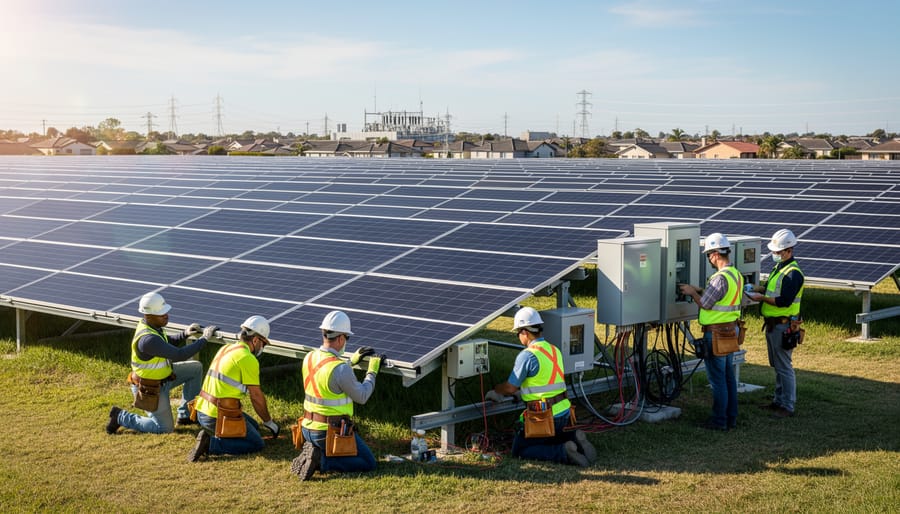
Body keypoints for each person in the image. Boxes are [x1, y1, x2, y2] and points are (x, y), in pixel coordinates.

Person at [485, 307, 596, 467]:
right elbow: (543, 382)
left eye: (518, 333)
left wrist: (496, 390)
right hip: (564, 413)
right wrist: (522, 393)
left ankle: (563, 452)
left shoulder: (528, 355)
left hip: (543, 417)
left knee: (520, 449)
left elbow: (510, 387)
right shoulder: (554, 350)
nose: (518, 337)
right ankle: (573, 438)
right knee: (549, 437)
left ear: (525, 332)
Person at [291, 310, 382, 481]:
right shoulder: (340, 368)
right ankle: (321, 462)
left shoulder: (309, 357)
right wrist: (372, 372)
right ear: (340, 338)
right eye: (347, 338)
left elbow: (327, 373)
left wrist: (351, 361)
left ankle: (314, 450)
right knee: (368, 462)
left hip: (307, 428)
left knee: (350, 453)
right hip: (329, 433)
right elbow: (362, 396)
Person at [106, 292, 215, 435]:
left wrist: (185, 333)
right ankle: (120, 416)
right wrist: (204, 339)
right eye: (161, 314)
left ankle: (185, 416)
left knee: (196, 368)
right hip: (149, 389)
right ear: (148, 315)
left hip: (165, 378)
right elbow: (178, 354)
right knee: (164, 428)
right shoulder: (148, 339)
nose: (166, 315)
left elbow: (166, 343)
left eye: (166, 312)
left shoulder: (152, 327)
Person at [187, 315, 280, 461]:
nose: (263, 347)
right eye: (263, 343)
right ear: (255, 340)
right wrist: (269, 422)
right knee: (256, 443)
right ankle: (210, 444)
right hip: (216, 415)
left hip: (202, 410)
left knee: (254, 427)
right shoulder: (247, 358)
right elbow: (256, 396)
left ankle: (214, 435)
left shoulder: (227, 348)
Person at [679, 233, 744, 431]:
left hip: (715, 334)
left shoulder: (720, 278)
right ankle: (730, 418)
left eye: (708, 255)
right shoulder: (736, 275)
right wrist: (702, 289)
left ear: (716, 254)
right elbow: (722, 298)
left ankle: (719, 421)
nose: (708, 259)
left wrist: (692, 292)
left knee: (717, 381)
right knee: (728, 377)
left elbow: (706, 305)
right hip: (730, 332)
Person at [746, 228, 804, 419]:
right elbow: (773, 290)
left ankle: (787, 405)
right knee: (778, 365)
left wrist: (760, 297)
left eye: (777, 252)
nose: (774, 255)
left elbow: (783, 301)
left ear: (789, 251)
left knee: (784, 367)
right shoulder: (779, 269)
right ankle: (778, 401)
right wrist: (757, 288)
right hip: (773, 325)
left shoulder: (793, 273)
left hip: (783, 325)